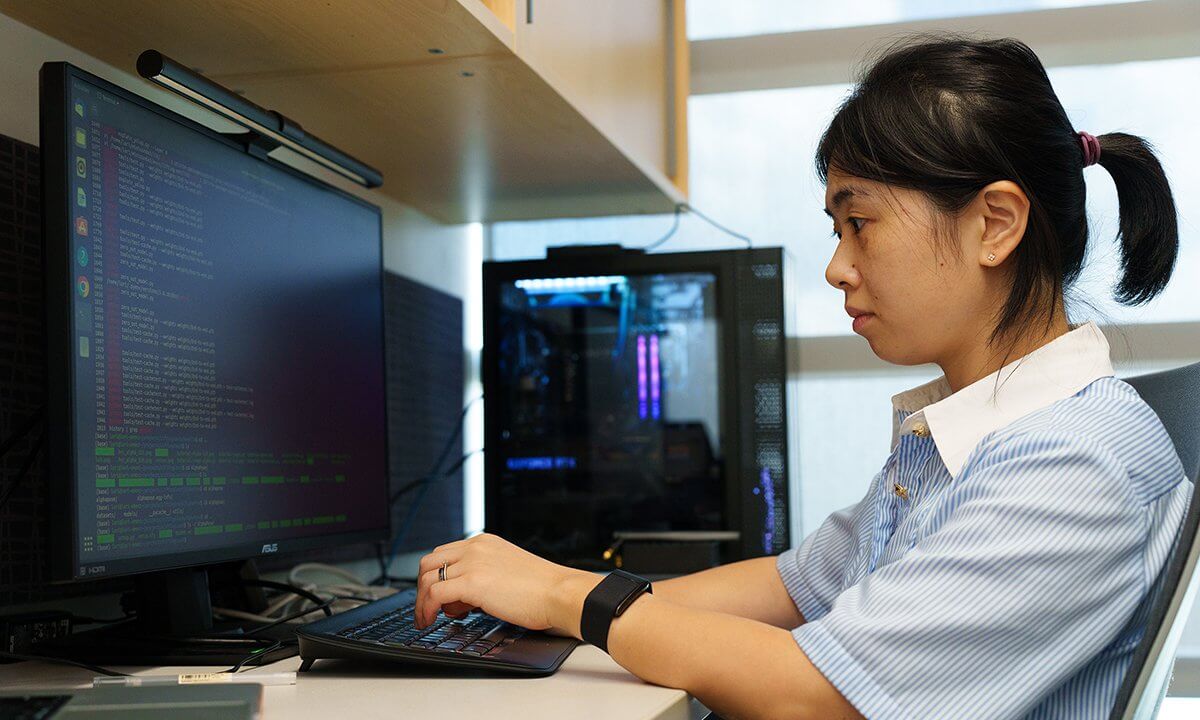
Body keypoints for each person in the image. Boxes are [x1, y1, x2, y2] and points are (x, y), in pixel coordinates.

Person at [413, 34, 1187, 719]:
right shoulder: (975, 433)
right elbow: (792, 588)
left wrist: (565, 598)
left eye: (861, 223)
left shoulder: (1071, 465)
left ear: (995, 224)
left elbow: (818, 697)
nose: (837, 266)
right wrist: (545, 591)